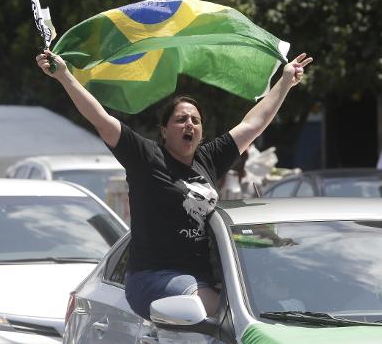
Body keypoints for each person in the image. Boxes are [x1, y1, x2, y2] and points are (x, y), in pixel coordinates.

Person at [36, 48, 312, 320]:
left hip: (201, 279)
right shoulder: (146, 157)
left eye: (195, 120)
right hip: (152, 279)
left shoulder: (209, 158)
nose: (189, 124)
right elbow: (101, 119)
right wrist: (64, 76)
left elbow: (253, 123)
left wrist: (286, 80)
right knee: (223, 313)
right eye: (180, 120)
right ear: (164, 131)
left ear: (202, 132)